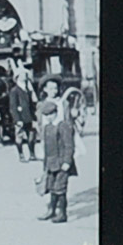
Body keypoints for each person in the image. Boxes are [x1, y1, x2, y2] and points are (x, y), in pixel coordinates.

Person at [36, 90, 76, 225]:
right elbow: (47, 149)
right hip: (51, 163)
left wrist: (67, 161)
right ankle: (51, 211)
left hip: (61, 162)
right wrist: (45, 164)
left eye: (50, 115)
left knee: (61, 188)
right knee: (52, 187)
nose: (48, 117)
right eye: (46, 115)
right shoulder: (47, 128)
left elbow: (69, 145)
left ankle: (62, 213)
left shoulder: (63, 126)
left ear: (55, 113)